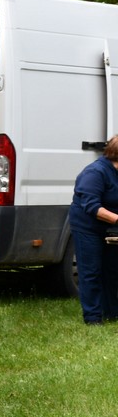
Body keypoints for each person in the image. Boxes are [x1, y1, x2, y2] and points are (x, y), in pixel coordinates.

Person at [68, 134, 118, 324]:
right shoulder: (94, 173)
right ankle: (93, 317)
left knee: (112, 270)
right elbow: (93, 207)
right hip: (87, 226)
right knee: (91, 271)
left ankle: (112, 312)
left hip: (110, 226)